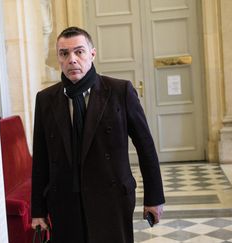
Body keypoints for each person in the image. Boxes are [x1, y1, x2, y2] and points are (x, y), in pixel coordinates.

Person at [31, 26, 165, 243]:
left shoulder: (120, 91)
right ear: (59, 58)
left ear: (92, 54)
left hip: (111, 198)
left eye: (79, 51)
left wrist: (154, 198)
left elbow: (145, 146)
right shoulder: (45, 99)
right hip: (65, 202)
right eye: (64, 54)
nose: (72, 59)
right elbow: (41, 158)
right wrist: (38, 210)